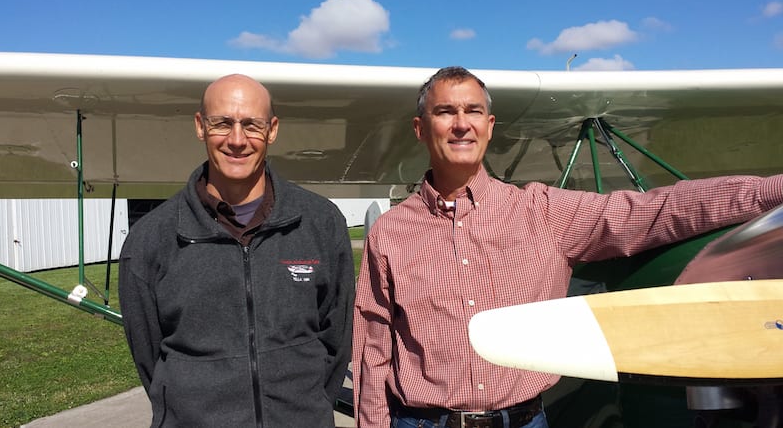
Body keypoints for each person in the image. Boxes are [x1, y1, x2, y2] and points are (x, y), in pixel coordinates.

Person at [352, 66, 783, 428]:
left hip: (523, 418)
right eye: (445, 112)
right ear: (420, 128)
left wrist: (770, 193)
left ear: (489, 125)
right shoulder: (390, 232)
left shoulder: (544, 211)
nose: (461, 123)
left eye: (473, 111)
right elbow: (373, 350)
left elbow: (654, 210)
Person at [119, 74, 355, 427]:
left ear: (272, 130)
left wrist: (307, 407)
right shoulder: (151, 239)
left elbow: (337, 341)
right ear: (200, 126)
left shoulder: (320, 223)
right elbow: (149, 357)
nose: (237, 140)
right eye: (222, 123)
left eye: (252, 125)